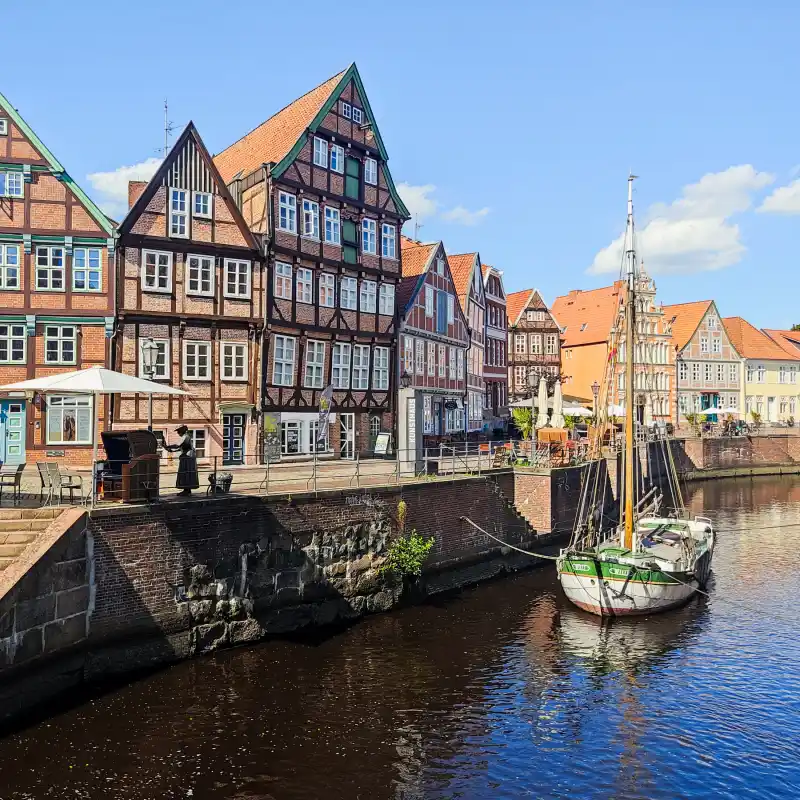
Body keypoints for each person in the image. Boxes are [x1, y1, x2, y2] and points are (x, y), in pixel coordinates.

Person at [165, 425, 199, 497]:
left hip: (188, 457)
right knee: (186, 473)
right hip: (187, 456)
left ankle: (186, 490)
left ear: (182, 431)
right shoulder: (185, 437)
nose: (177, 433)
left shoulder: (185, 437)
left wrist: (168, 446)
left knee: (186, 472)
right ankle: (187, 489)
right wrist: (171, 450)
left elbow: (177, 445)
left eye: (178, 431)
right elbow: (181, 448)